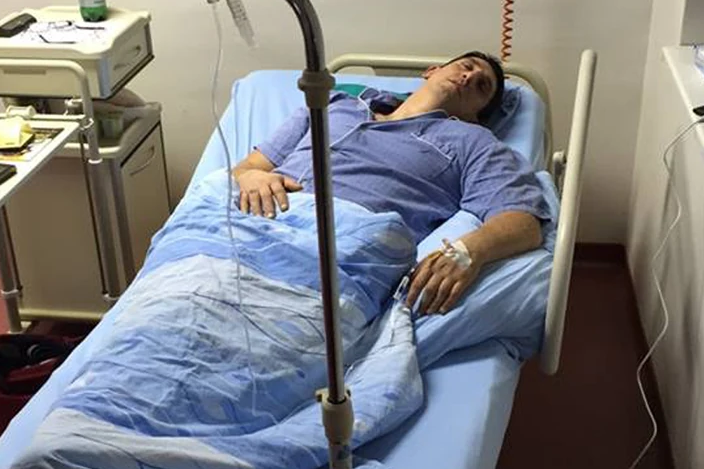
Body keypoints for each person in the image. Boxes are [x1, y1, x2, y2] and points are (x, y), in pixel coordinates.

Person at [231, 52, 549, 316]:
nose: (469, 77)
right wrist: (251, 176)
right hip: (255, 222)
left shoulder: (475, 142)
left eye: (481, 86)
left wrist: (469, 252)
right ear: (432, 71)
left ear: (475, 116)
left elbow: (522, 221)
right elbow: (247, 168)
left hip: (339, 252)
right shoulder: (331, 104)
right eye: (466, 66)